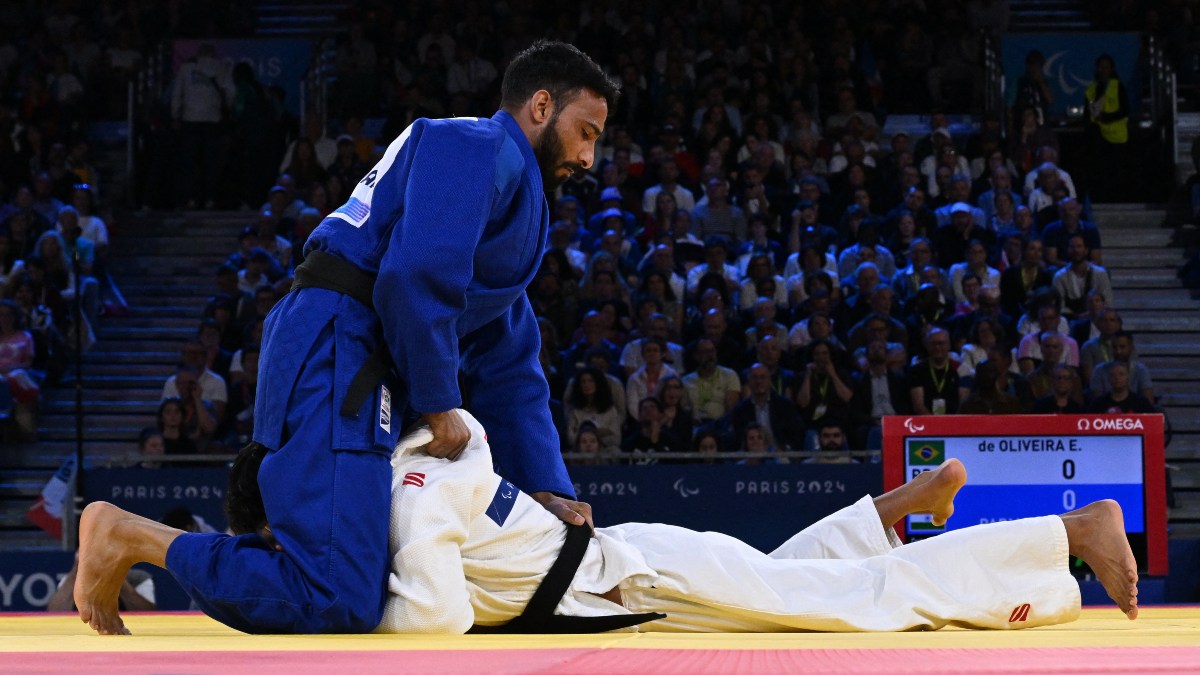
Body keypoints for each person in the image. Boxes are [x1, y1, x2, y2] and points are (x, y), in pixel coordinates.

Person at [74, 41, 621, 637]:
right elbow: (412, 277)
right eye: (585, 131)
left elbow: (511, 360)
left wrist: (546, 487)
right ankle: (130, 535)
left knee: (352, 583)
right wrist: (439, 402)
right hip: (343, 339)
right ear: (541, 106)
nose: (590, 156)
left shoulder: (512, 192)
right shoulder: (473, 144)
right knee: (333, 594)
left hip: (358, 349)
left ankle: (233, 543)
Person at [202, 408, 1136, 634]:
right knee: (785, 583)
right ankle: (893, 510)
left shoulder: (404, 515)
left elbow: (435, 623)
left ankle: (1065, 533)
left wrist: (337, 606)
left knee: (853, 605)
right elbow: (474, 437)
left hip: (628, 581)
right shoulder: (412, 461)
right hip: (630, 567)